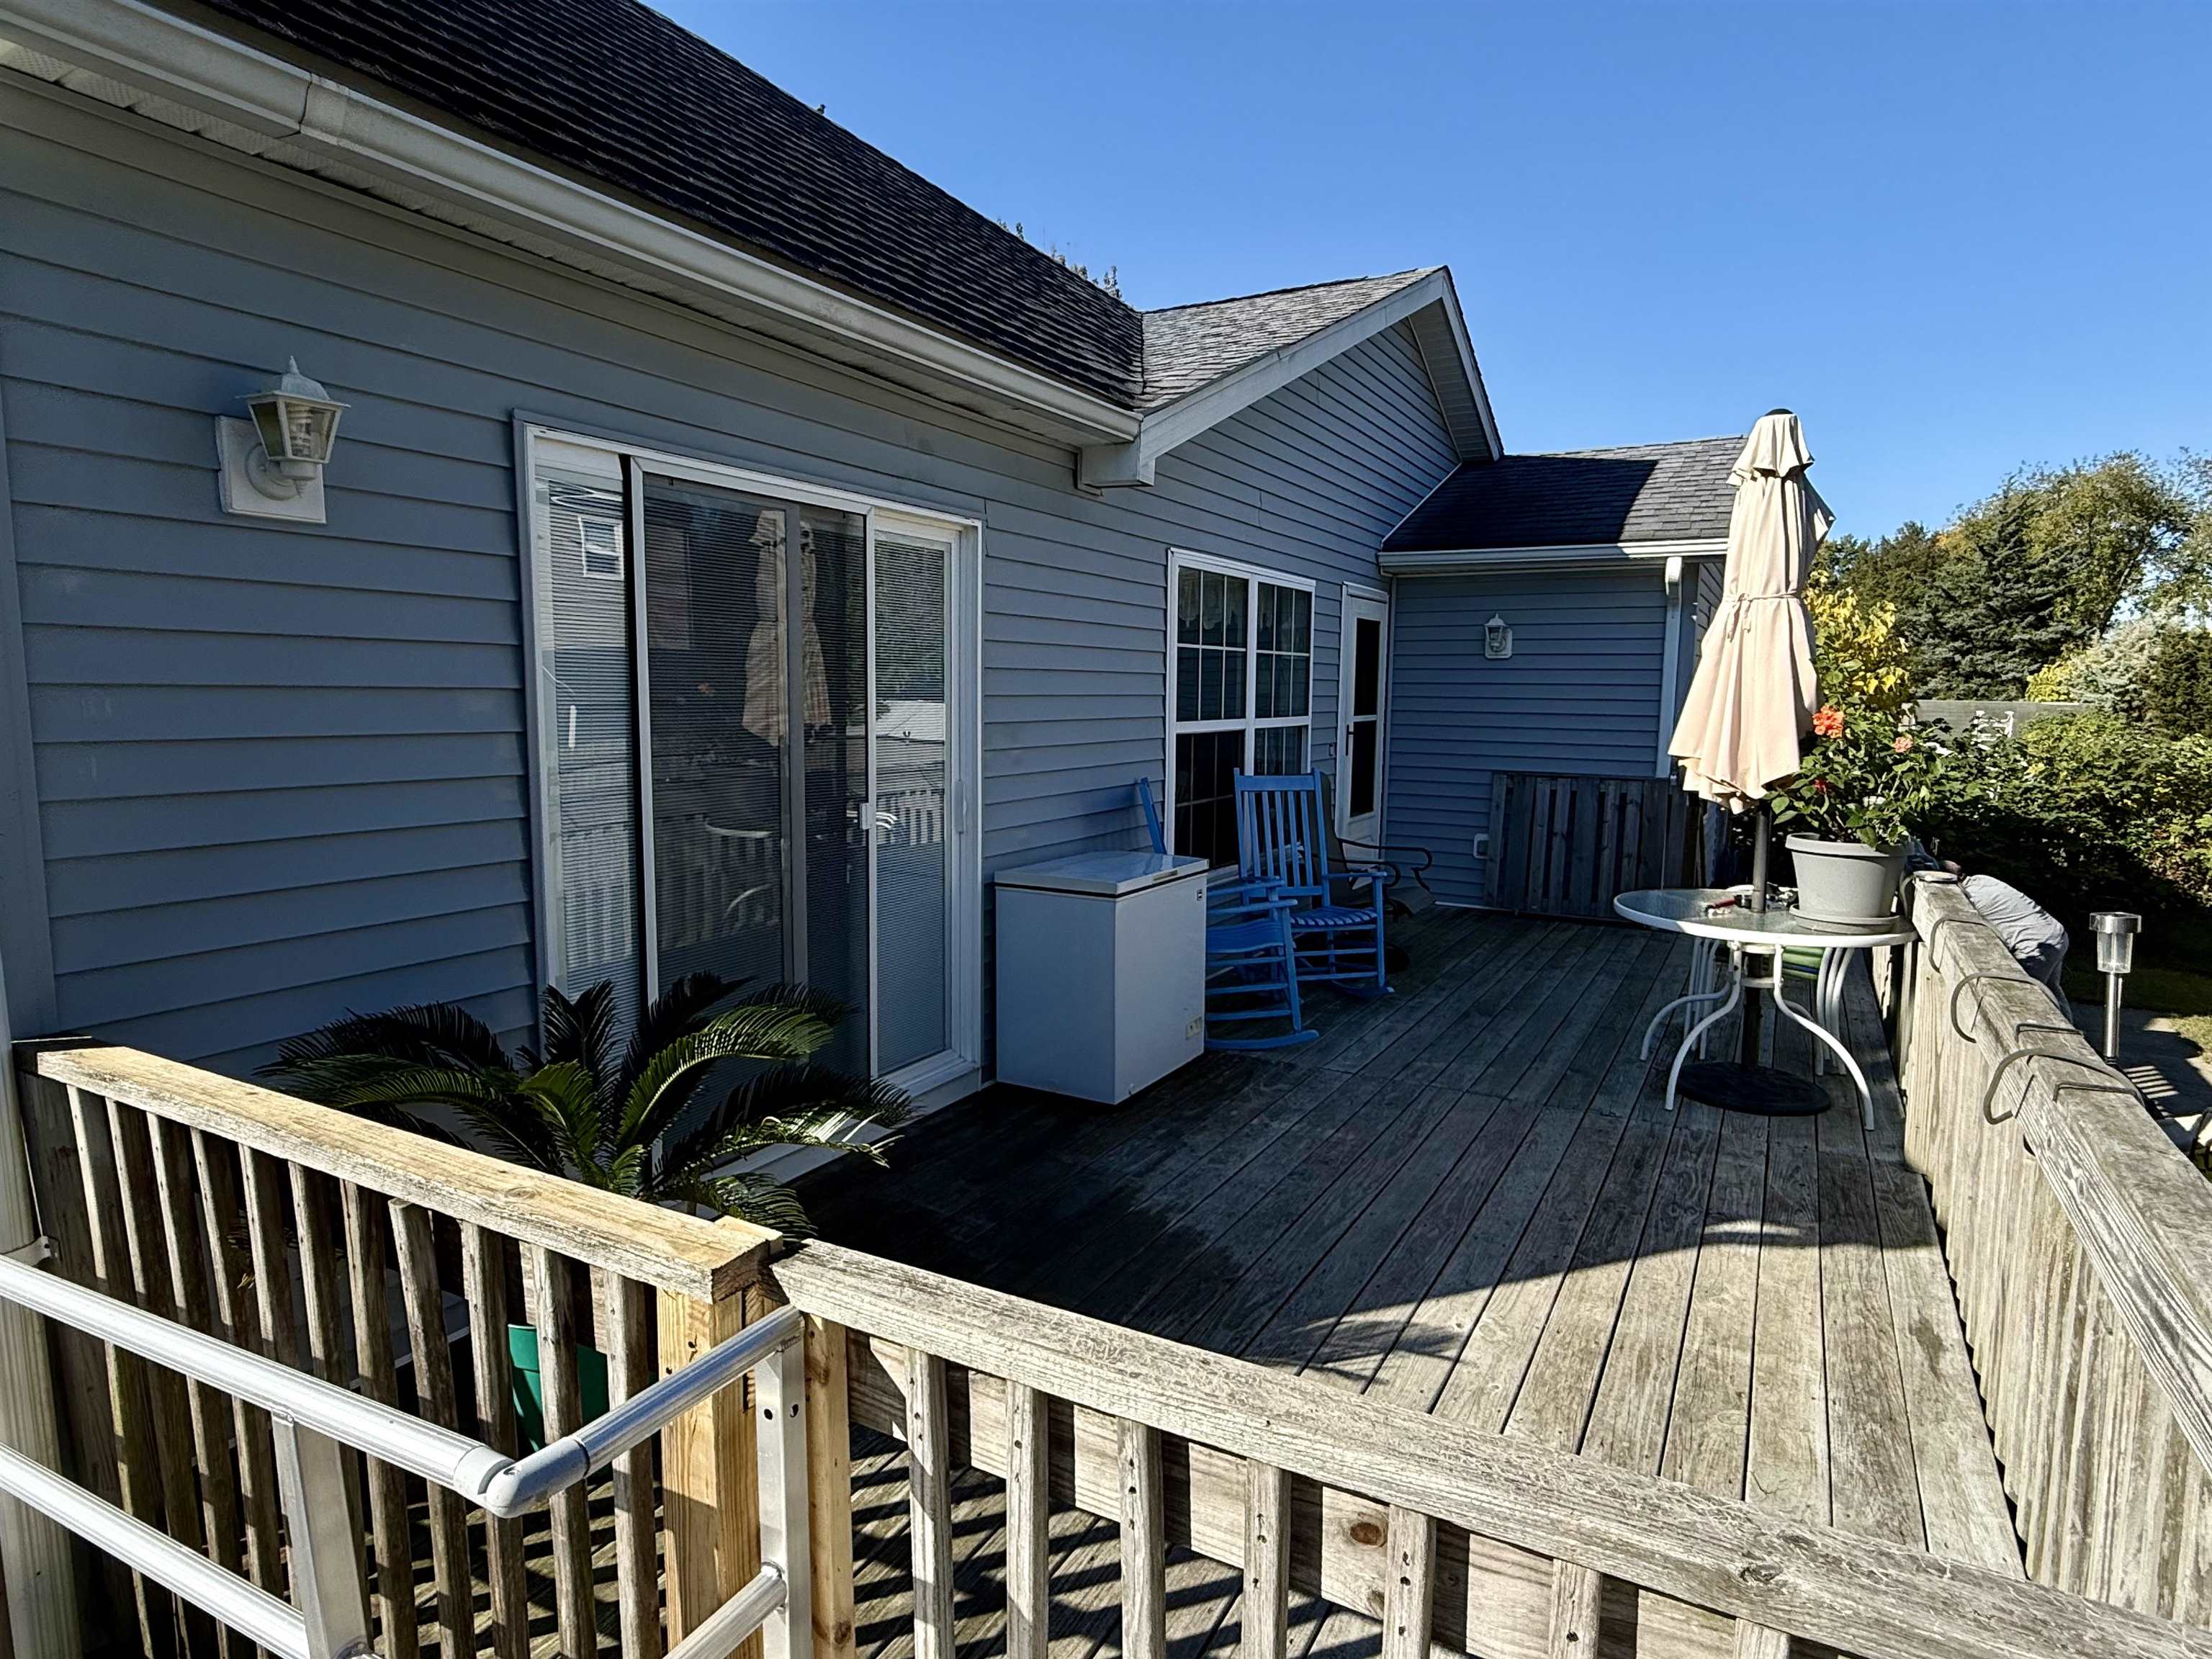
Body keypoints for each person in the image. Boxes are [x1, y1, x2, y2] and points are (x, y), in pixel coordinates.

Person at [1905, 841, 2072, 1006]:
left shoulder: (1970, 899)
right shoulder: (1982, 881)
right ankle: (2071, 1030)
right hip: (2057, 934)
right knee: (2052, 993)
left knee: (2024, 999)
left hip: (2036, 945)